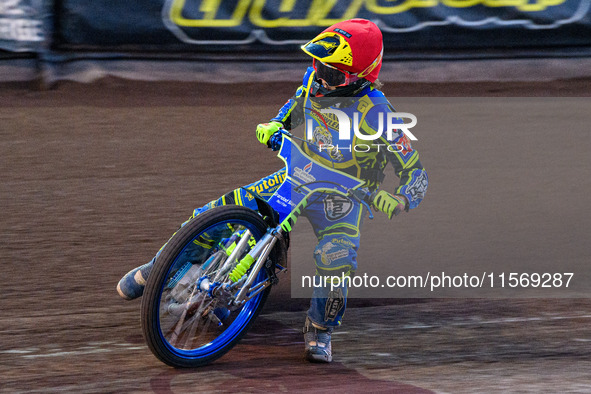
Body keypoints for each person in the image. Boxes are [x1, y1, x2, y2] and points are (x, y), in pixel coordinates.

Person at [117, 18, 428, 363]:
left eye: (334, 74)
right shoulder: (314, 83)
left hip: (342, 199)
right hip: (298, 175)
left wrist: (399, 199)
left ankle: (319, 329)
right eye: (317, 65)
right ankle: (158, 268)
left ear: (361, 77)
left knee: (336, 259)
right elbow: (292, 110)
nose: (322, 78)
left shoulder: (379, 113)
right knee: (215, 212)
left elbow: (416, 172)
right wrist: (275, 125)